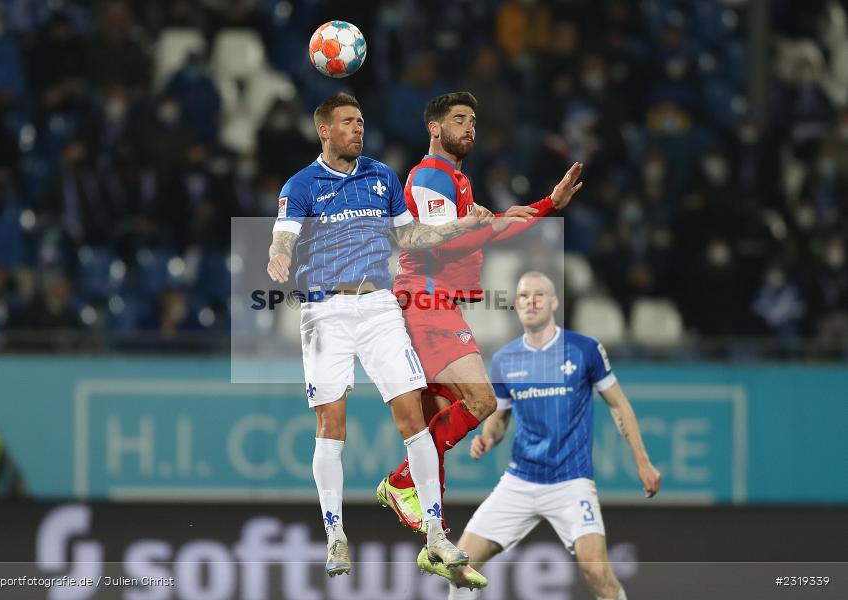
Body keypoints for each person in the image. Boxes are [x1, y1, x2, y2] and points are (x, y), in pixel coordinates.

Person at [266, 92, 491, 577]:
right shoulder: (302, 184)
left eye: (361, 120)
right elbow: (283, 231)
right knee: (332, 427)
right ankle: (336, 535)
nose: (358, 129)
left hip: (378, 307)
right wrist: (279, 253)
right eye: (347, 122)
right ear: (324, 130)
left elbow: (412, 238)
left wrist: (460, 225)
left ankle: (436, 533)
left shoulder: (382, 176)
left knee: (412, 415)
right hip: (325, 311)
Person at [376, 91, 582, 538]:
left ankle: (436, 538)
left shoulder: (456, 181)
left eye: (472, 119)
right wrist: (483, 225)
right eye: (458, 119)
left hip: (431, 303)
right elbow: (436, 242)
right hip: (426, 301)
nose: (469, 126)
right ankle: (401, 482)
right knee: (482, 401)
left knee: (439, 422)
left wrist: (549, 205)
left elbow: (493, 229)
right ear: (435, 128)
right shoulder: (432, 174)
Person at [422, 272, 661, 599]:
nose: (530, 302)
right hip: (521, 480)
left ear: (553, 302)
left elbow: (619, 406)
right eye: (523, 296)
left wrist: (643, 462)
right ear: (516, 306)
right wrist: (488, 437)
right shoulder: (505, 360)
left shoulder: (584, 350)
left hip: (570, 480)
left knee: (596, 571)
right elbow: (500, 419)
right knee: (459, 567)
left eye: (538, 295)